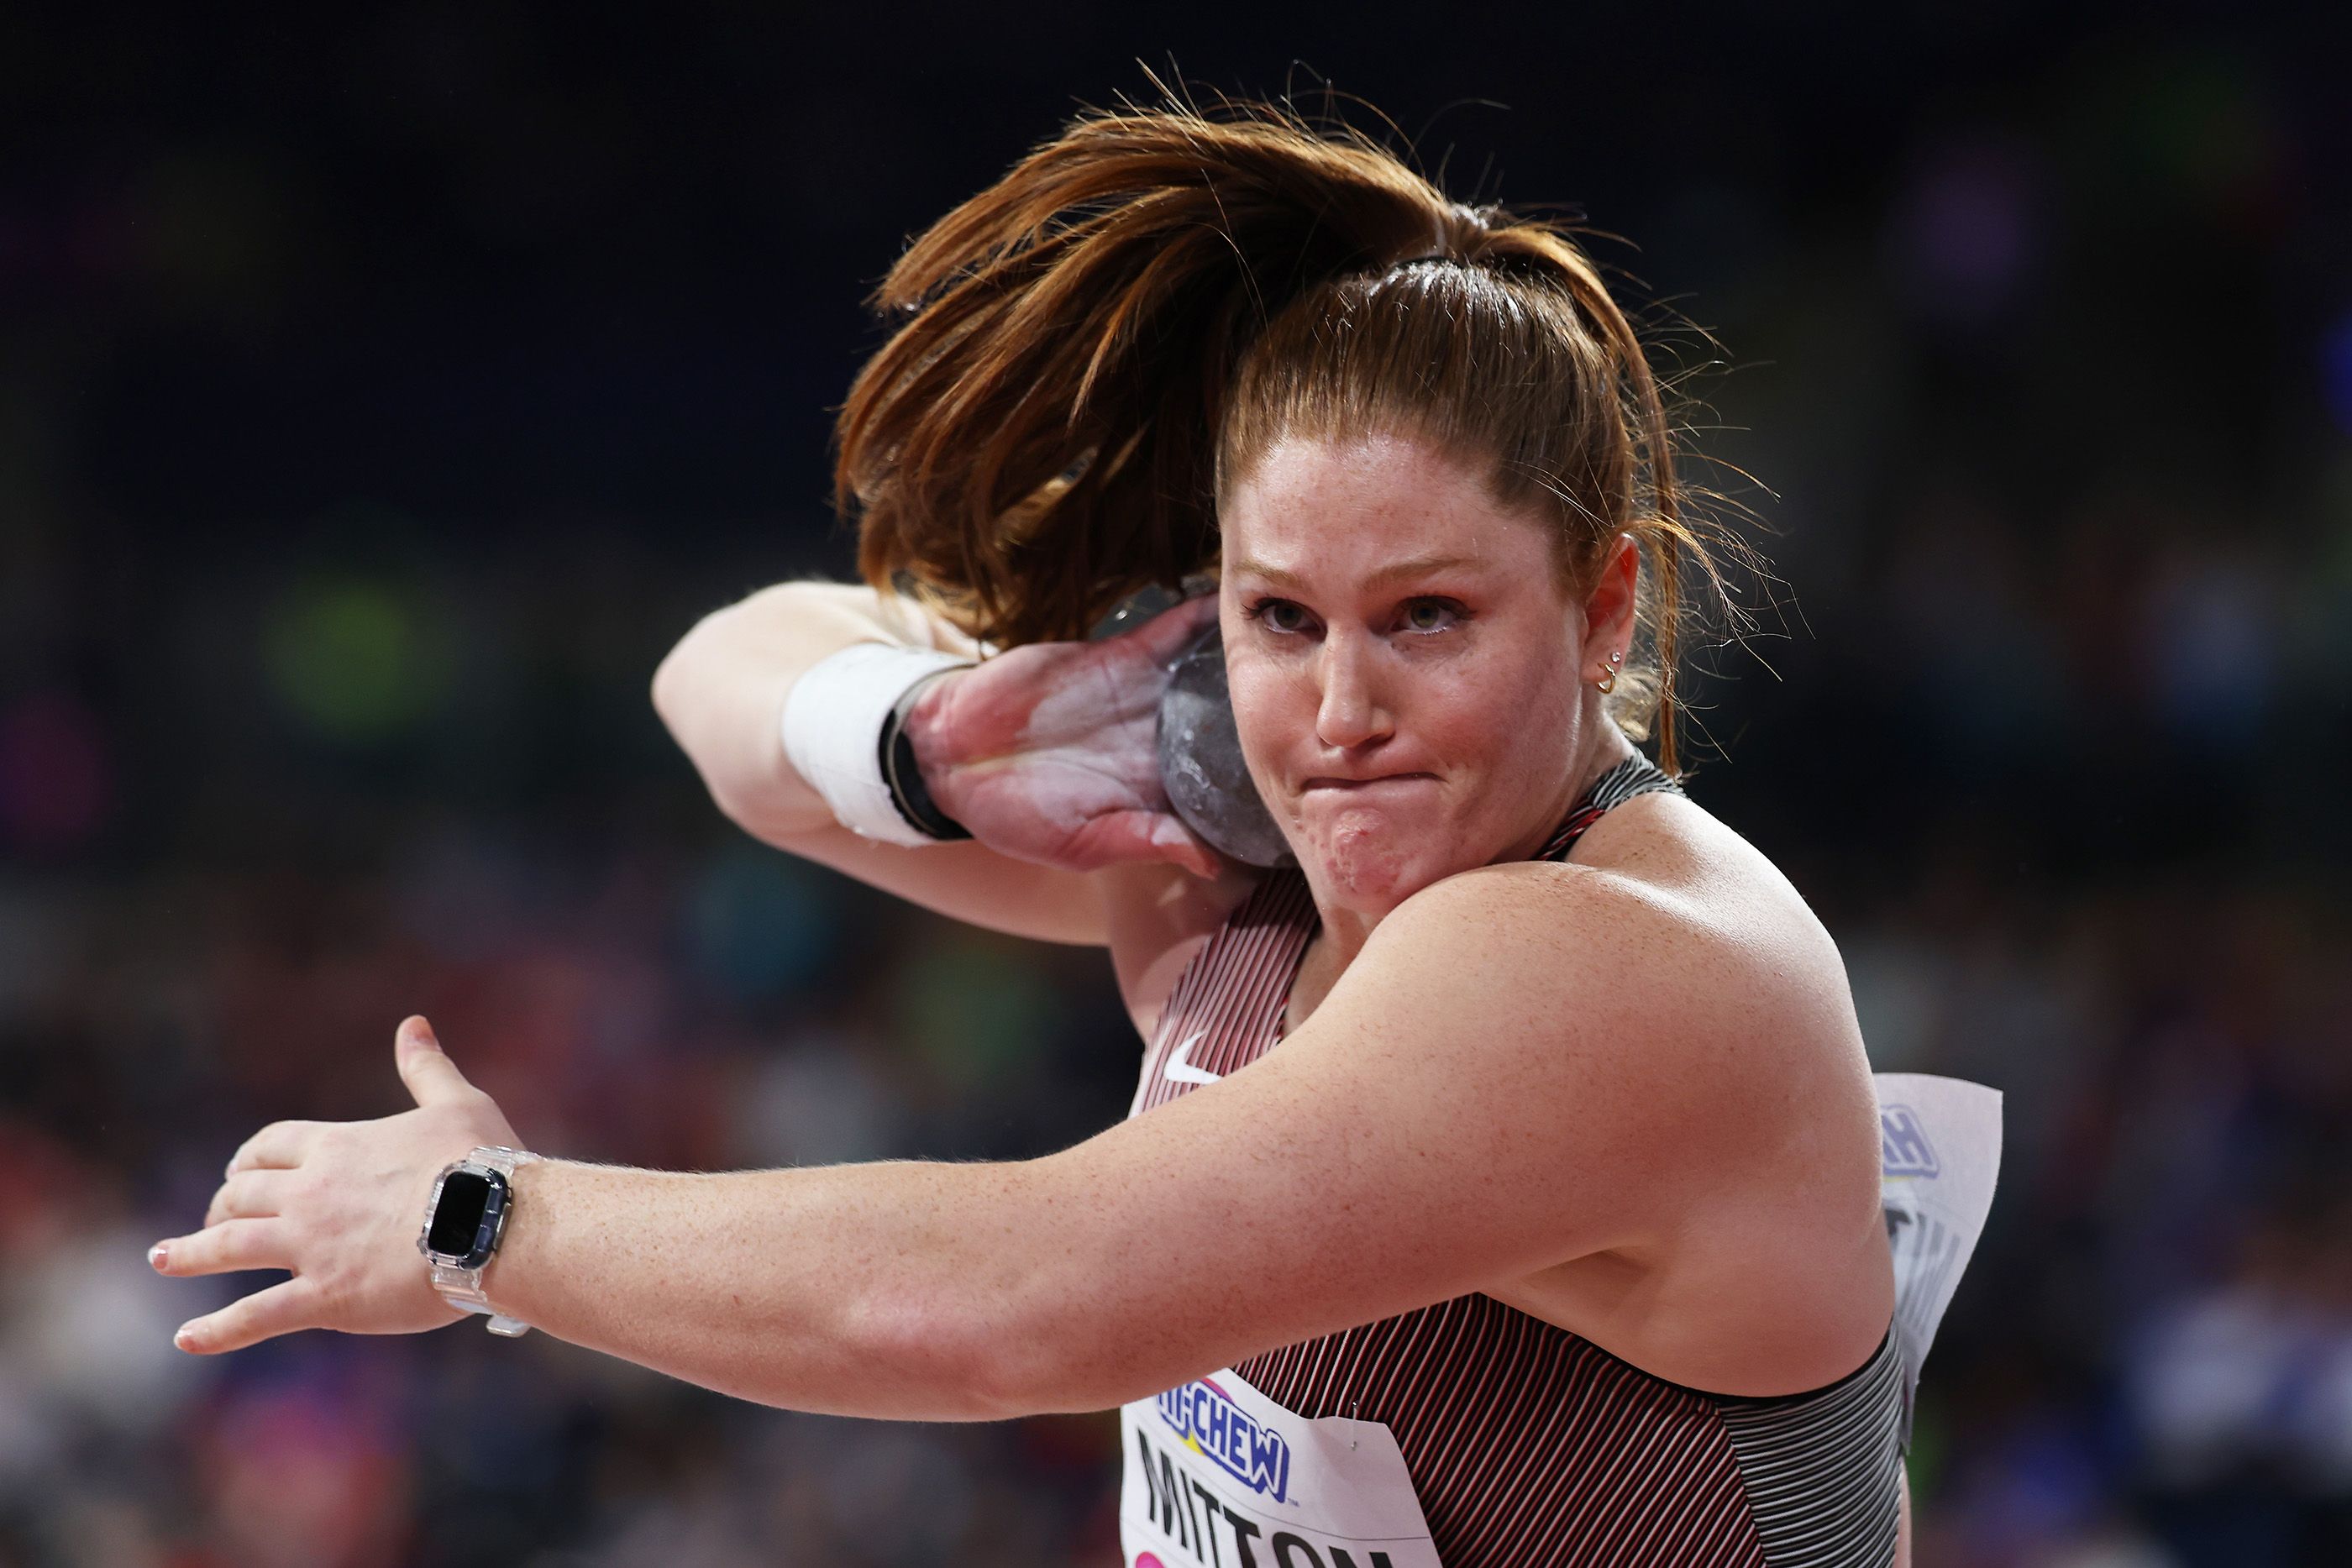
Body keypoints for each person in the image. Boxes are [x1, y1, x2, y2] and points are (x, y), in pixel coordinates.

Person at [150, 92, 1916, 1565]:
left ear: (1603, 608)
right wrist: (919, 742)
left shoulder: (1621, 966)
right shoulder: (1241, 843)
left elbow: (1017, 1306)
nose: (1342, 710)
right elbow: (721, 686)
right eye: (1280, 619)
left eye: (1429, 616)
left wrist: (481, 1223)